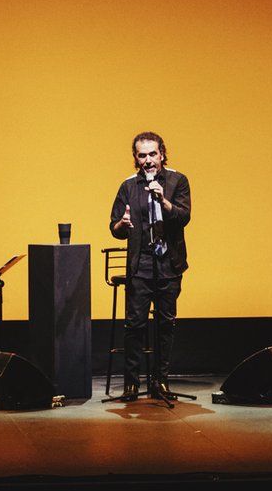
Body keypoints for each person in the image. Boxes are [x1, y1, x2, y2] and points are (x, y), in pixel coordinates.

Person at [109, 131, 192, 401]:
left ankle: (161, 381)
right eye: (142, 155)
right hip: (141, 263)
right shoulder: (128, 186)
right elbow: (115, 227)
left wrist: (163, 201)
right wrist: (122, 225)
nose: (148, 160)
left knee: (166, 324)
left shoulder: (178, 180)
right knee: (135, 325)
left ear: (162, 154)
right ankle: (132, 383)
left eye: (152, 154)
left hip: (168, 263)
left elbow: (183, 216)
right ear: (136, 157)